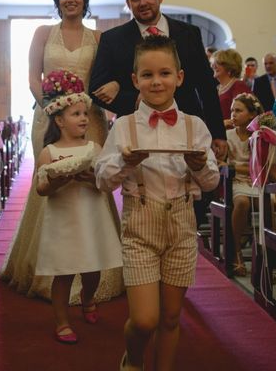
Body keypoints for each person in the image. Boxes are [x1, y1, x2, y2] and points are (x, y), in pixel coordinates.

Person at [95, 36, 220, 371]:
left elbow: (211, 183)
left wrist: (198, 167)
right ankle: (133, 359)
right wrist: (125, 163)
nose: (156, 82)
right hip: (140, 225)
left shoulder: (195, 126)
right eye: (147, 75)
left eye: (164, 73)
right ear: (135, 80)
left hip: (181, 224)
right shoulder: (123, 126)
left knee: (170, 317)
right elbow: (103, 180)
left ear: (179, 77)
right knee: (145, 319)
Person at [0, 0, 123, 304]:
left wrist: (94, 100)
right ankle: (48, 269)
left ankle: (95, 268)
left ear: (85, 1)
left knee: (87, 182)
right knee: (52, 181)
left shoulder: (98, 38)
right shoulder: (42, 34)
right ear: (57, 1)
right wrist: (52, 108)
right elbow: (31, 75)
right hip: (49, 116)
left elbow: (108, 79)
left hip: (88, 119)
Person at [89, 0, 226, 159]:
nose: (143, 2)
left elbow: (206, 86)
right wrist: (133, 99)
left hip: (186, 127)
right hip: (136, 130)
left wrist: (217, 132)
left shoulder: (189, 33)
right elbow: (96, 88)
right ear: (128, 4)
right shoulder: (112, 39)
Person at [34, 70, 122, 344]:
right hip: (64, 219)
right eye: (76, 114)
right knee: (64, 274)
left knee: (92, 269)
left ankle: (88, 297)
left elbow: (107, 184)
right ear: (59, 120)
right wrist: (60, 179)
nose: (84, 118)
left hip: (90, 216)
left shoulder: (94, 148)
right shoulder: (49, 153)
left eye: (85, 113)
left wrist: (90, 178)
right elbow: (42, 189)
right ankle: (61, 321)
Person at [226, 93, 264, 277]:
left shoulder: (260, 136)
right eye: (232, 110)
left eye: (238, 110)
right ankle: (236, 251)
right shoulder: (227, 135)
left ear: (251, 115)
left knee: (268, 205)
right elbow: (223, 164)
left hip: (257, 181)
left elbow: (262, 165)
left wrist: (239, 166)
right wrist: (242, 168)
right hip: (234, 182)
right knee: (242, 203)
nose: (233, 114)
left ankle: (266, 259)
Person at [211, 48, 251, 129]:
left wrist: (225, 123)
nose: (213, 66)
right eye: (213, 63)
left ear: (229, 67)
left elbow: (244, 114)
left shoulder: (238, 85)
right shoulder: (218, 88)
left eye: (218, 63)